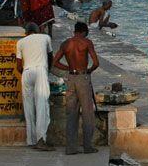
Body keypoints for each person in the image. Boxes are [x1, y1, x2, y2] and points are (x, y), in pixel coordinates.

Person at [52, 22, 100, 155]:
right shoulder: (87, 42)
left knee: (71, 113)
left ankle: (71, 148)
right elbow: (96, 63)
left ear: (74, 31)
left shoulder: (66, 43)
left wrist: (68, 68)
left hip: (71, 79)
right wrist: (88, 70)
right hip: (83, 77)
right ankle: (87, 146)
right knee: (87, 113)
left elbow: (55, 62)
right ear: (84, 32)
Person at [15, 22, 54, 150]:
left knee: (28, 106)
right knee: (42, 104)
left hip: (26, 72)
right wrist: (46, 71)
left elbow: (19, 66)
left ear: (26, 33)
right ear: (38, 31)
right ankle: (41, 139)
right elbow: (50, 56)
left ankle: (31, 140)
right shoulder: (45, 37)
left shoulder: (20, 42)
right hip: (40, 70)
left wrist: (26, 72)